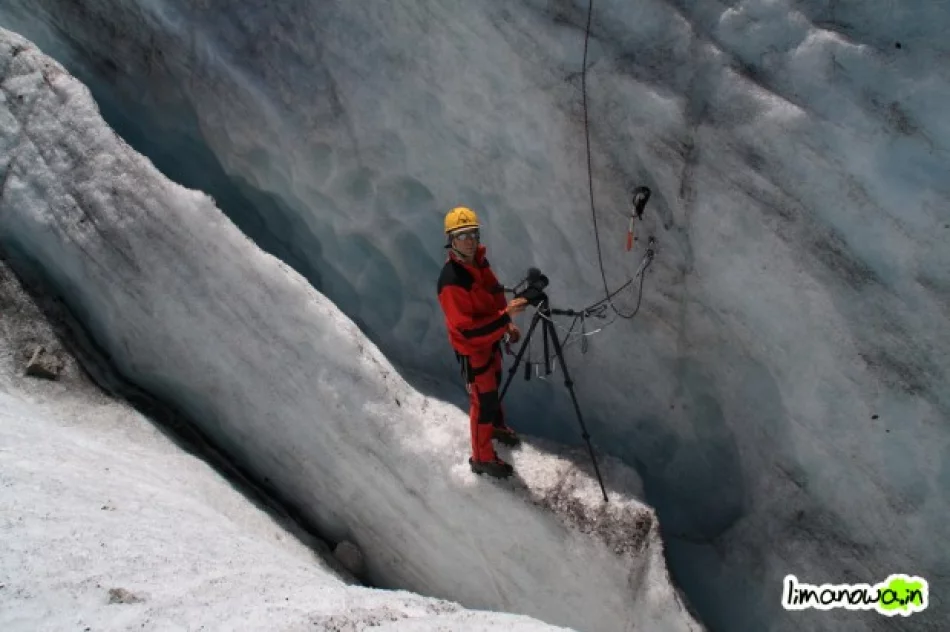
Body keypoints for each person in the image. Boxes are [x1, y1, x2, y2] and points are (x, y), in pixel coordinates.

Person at [437, 207, 528, 479]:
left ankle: (496, 427)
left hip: (490, 339)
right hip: (473, 349)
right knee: (484, 401)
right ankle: (482, 458)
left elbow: (494, 293)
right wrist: (506, 317)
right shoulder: (452, 281)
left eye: (472, 233)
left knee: (494, 385)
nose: (468, 239)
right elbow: (467, 333)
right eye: (461, 235)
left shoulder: (478, 262)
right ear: (451, 240)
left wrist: (506, 322)